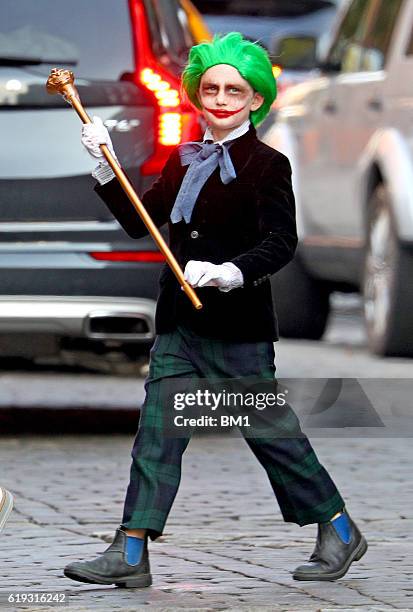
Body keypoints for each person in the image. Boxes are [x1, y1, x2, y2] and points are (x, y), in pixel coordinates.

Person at [64, 32, 367, 587]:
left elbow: (281, 242)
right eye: (211, 89)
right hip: (181, 324)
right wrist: (106, 166)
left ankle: (340, 529)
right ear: (196, 97)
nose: (223, 98)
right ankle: (131, 551)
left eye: (236, 89)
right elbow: (141, 222)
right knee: (157, 433)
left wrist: (233, 272)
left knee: (271, 435)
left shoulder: (268, 166)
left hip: (238, 328)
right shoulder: (184, 163)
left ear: (256, 99)